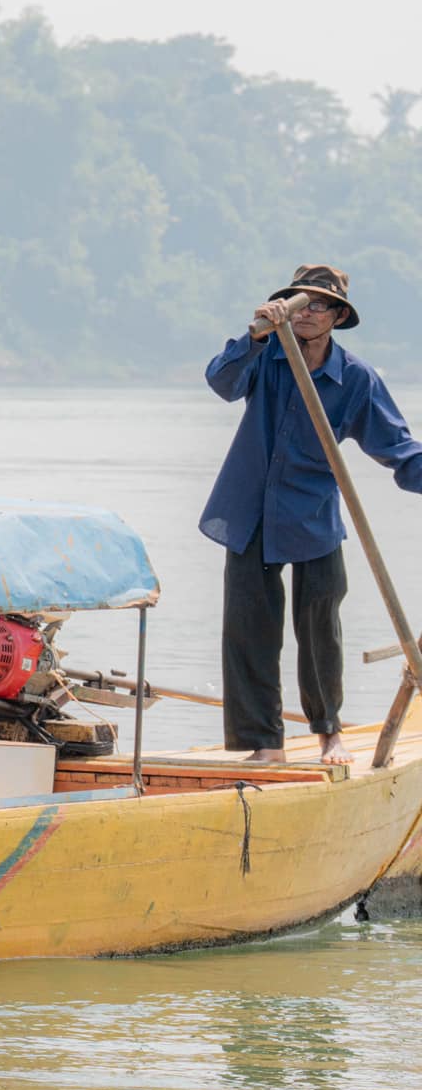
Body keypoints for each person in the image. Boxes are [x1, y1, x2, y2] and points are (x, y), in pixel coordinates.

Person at [200, 264, 422, 765]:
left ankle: (329, 733)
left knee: (320, 624)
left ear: (337, 316)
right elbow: (222, 381)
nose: (307, 312)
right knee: (248, 627)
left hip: (312, 514)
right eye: (299, 302)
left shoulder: (355, 378)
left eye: (318, 304)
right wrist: (255, 334)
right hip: (249, 510)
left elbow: (399, 451)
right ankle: (264, 743)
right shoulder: (267, 354)